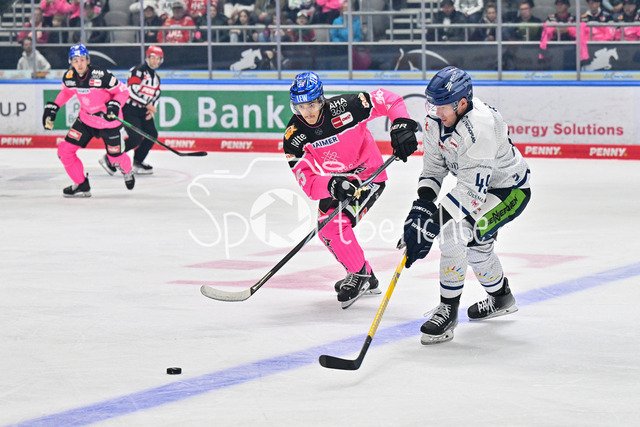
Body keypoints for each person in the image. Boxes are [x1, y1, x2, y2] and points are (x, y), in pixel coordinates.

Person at [399, 66, 531, 344]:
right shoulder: (436, 120)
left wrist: (430, 226)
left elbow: (471, 194)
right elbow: (433, 170)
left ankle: (448, 311)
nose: (437, 112)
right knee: (476, 248)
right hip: (481, 189)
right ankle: (501, 298)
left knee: (454, 233)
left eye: (443, 106)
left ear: (461, 103)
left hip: (509, 191)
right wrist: (420, 210)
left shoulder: (480, 126)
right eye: (433, 105)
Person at [284, 72, 419, 309]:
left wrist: (401, 124)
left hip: (368, 176)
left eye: (312, 104)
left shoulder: (347, 106)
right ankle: (363, 272)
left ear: (322, 99)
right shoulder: (294, 137)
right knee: (325, 230)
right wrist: (331, 184)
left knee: (332, 227)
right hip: (337, 182)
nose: (307, 112)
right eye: (300, 107)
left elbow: (389, 99)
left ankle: (360, 274)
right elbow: (308, 182)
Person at [42, 44, 134, 197]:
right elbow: (66, 92)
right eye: (75, 60)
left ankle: (127, 170)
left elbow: (123, 91)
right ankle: (81, 184)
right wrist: (55, 106)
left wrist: (115, 104)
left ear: (88, 60)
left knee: (115, 158)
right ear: (71, 62)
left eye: (82, 59)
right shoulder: (69, 77)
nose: (79, 64)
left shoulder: (101, 75)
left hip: (108, 122)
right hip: (86, 120)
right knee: (65, 151)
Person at [100, 46, 163, 176]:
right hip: (129, 109)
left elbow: (156, 94)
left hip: (144, 110)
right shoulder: (138, 71)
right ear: (147, 57)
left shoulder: (156, 78)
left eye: (158, 58)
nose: (155, 60)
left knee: (152, 135)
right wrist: (147, 104)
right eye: (153, 57)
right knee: (135, 138)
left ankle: (138, 161)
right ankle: (110, 158)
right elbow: (131, 91)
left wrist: (151, 107)